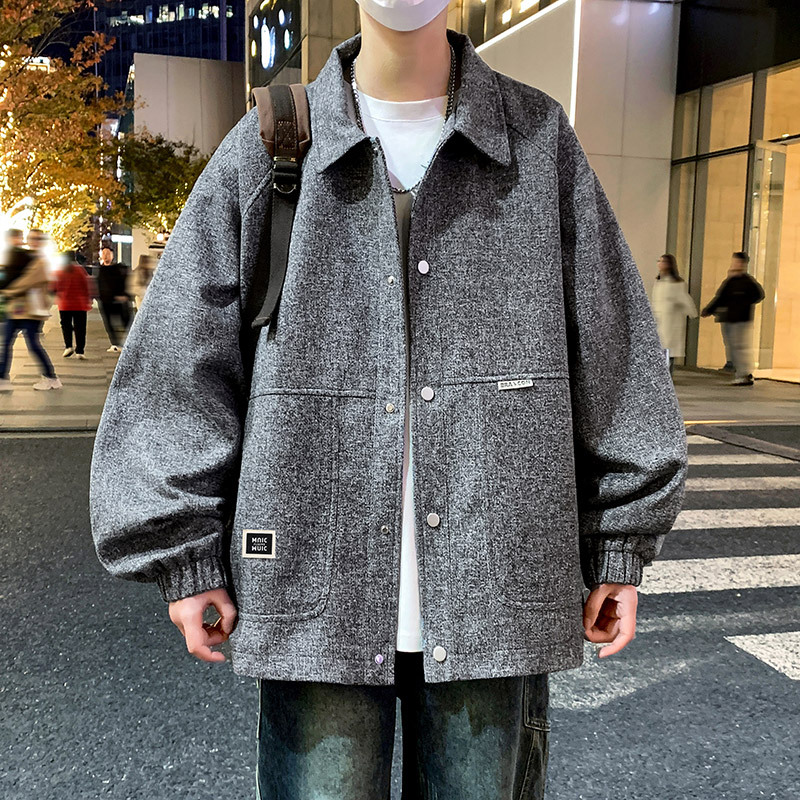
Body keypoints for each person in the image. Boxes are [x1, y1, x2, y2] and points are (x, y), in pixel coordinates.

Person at [89, 6, 688, 799]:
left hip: (496, 584)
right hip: (313, 580)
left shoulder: (536, 138)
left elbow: (613, 348)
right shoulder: (273, 142)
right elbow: (178, 358)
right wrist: (182, 549)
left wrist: (621, 539)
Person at [0, 228, 62, 391]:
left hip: (31, 311)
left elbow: (25, 282)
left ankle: (51, 377)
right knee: (7, 342)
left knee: (33, 345)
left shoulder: (41, 261)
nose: (33, 241)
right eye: (30, 238)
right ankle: (2, 378)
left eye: (37, 239)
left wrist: (7, 291)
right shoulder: (27, 257)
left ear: (42, 242)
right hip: (19, 309)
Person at [701, 251, 765, 386]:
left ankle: (744, 374)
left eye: (737, 261)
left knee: (739, 347)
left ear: (742, 264)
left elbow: (759, 295)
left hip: (741, 319)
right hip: (729, 319)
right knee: (733, 347)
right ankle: (742, 373)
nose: (734, 264)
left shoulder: (747, 281)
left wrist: (743, 304)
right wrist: (709, 310)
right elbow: (720, 298)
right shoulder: (730, 281)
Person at [650, 254, 698, 377]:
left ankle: (667, 376)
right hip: (659, 320)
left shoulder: (676, 283)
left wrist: (692, 313)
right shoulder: (659, 282)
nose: (660, 264)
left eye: (663, 261)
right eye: (659, 261)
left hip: (671, 322)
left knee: (668, 349)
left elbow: (685, 299)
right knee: (660, 348)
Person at [55, 250, 92, 360]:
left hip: (64, 304)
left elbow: (55, 286)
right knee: (80, 327)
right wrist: (88, 299)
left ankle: (68, 346)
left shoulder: (60, 270)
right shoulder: (80, 270)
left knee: (66, 325)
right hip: (80, 304)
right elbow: (86, 285)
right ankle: (80, 351)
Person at [96, 244, 131, 353]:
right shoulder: (99, 270)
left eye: (108, 253)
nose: (105, 256)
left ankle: (130, 342)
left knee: (126, 322)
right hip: (105, 301)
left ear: (112, 255)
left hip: (119, 300)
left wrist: (124, 295)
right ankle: (115, 344)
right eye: (104, 253)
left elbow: (124, 282)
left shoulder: (118, 269)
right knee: (109, 324)